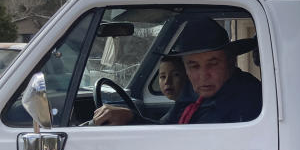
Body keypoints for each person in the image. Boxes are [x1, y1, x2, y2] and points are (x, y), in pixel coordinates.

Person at [93, 17, 262, 125]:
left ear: (230, 62)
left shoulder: (246, 97)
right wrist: (130, 118)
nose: (203, 76)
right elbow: (166, 129)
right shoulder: (192, 93)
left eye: (213, 63)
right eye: (193, 66)